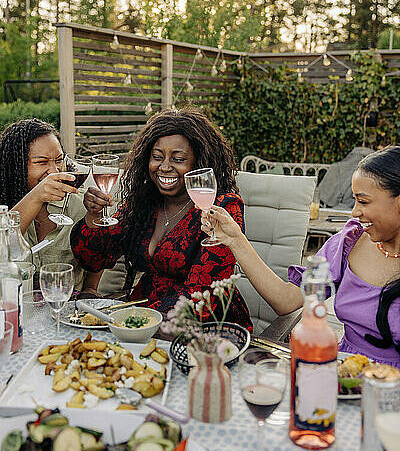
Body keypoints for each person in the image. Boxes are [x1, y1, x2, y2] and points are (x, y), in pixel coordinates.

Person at [202, 146, 400, 367]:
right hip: (344, 372)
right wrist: (235, 239)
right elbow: (286, 300)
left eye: (363, 201)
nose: (354, 212)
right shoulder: (350, 241)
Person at [70, 107, 252, 331]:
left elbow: (201, 297)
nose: (164, 167)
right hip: (142, 317)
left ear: (198, 163)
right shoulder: (143, 203)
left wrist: (134, 321)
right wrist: (93, 218)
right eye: (157, 157)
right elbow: (94, 260)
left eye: (178, 159)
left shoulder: (221, 208)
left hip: (206, 328)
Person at [0, 118, 102, 295]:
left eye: (59, 160)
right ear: (15, 165)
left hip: (66, 311)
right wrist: (36, 196)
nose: (55, 171)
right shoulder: (5, 203)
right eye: (42, 162)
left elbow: (97, 254)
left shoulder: (77, 204)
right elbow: (4, 246)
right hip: (15, 309)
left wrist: (90, 289)